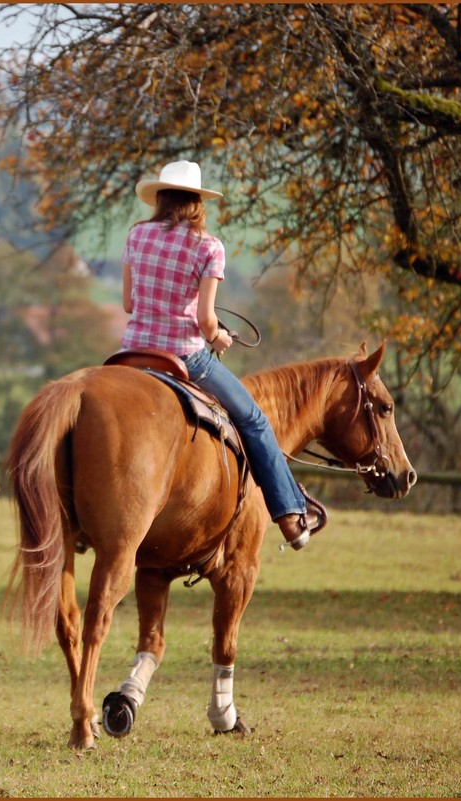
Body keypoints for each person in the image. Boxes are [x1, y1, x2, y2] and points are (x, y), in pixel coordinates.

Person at [122, 161, 322, 550]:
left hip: (131, 352)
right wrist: (219, 339)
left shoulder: (136, 236)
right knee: (255, 420)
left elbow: (129, 303)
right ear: (197, 202)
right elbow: (205, 320)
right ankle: (291, 516)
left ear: (160, 198)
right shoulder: (208, 247)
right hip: (183, 356)